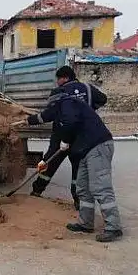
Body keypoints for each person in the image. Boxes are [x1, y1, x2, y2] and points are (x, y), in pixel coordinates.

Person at [25, 84, 123, 243]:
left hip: (97, 146)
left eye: (51, 106)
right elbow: (43, 116)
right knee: (82, 188)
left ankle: (113, 227)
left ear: (55, 102)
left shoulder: (68, 103)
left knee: (100, 187)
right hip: (84, 151)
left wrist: (65, 140)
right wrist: (26, 120)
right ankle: (86, 223)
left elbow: (70, 122)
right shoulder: (60, 108)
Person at [31, 66, 107, 211]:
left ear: (65, 78)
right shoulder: (88, 88)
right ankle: (78, 202)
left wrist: (30, 120)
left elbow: (48, 115)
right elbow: (103, 99)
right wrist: (88, 109)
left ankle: (36, 191)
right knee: (78, 170)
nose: (57, 82)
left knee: (47, 163)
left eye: (58, 79)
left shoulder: (59, 92)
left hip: (61, 136)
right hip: (82, 138)